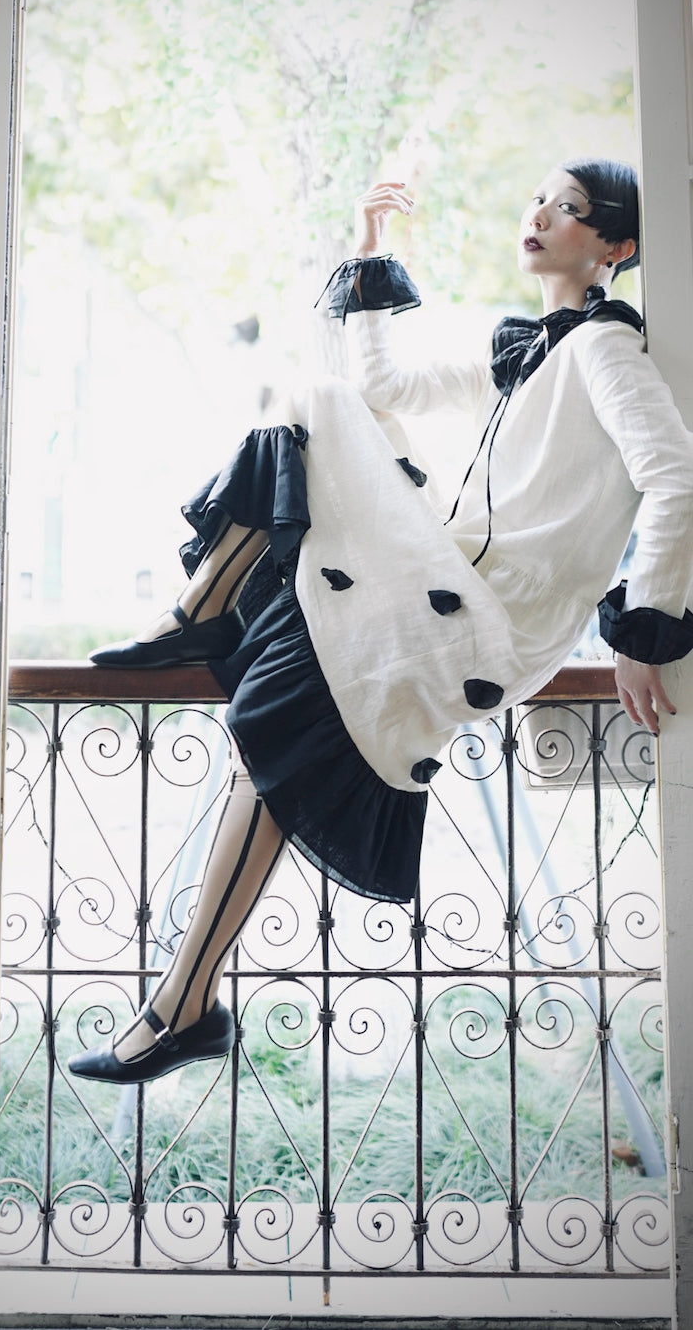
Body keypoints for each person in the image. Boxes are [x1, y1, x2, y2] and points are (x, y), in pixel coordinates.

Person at [69, 159, 693, 1086]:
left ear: (616, 247)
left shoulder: (605, 348)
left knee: (307, 415)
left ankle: (195, 620)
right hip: (443, 579)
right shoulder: (526, 346)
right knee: (274, 735)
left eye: (570, 211)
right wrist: (370, 254)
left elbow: (675, 476)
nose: (540, 216)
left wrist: (643, 631)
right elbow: (386, 387)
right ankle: (183, 1007)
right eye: (539, 197)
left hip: (485, 616)